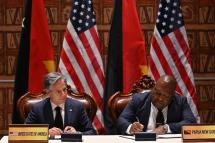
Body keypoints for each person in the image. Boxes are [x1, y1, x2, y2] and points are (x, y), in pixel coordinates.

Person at [117, 75, 197, 135]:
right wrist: (131, 127)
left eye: (166, 96)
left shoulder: (180, 101)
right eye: (158, 93)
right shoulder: (138, 99)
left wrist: (166, 128)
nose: (160, 99)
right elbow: (122, 119)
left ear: (172, 96)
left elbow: (191, 122)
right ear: (153, 89)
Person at [25, 72, 96, 136]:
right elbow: (24, 132)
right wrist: (46, 133)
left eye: (64, 89)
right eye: (58, 91)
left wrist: (76, 133)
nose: (64, 94)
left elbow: (92, 132)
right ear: (48, 93)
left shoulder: (77, 107)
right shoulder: (38, 108)